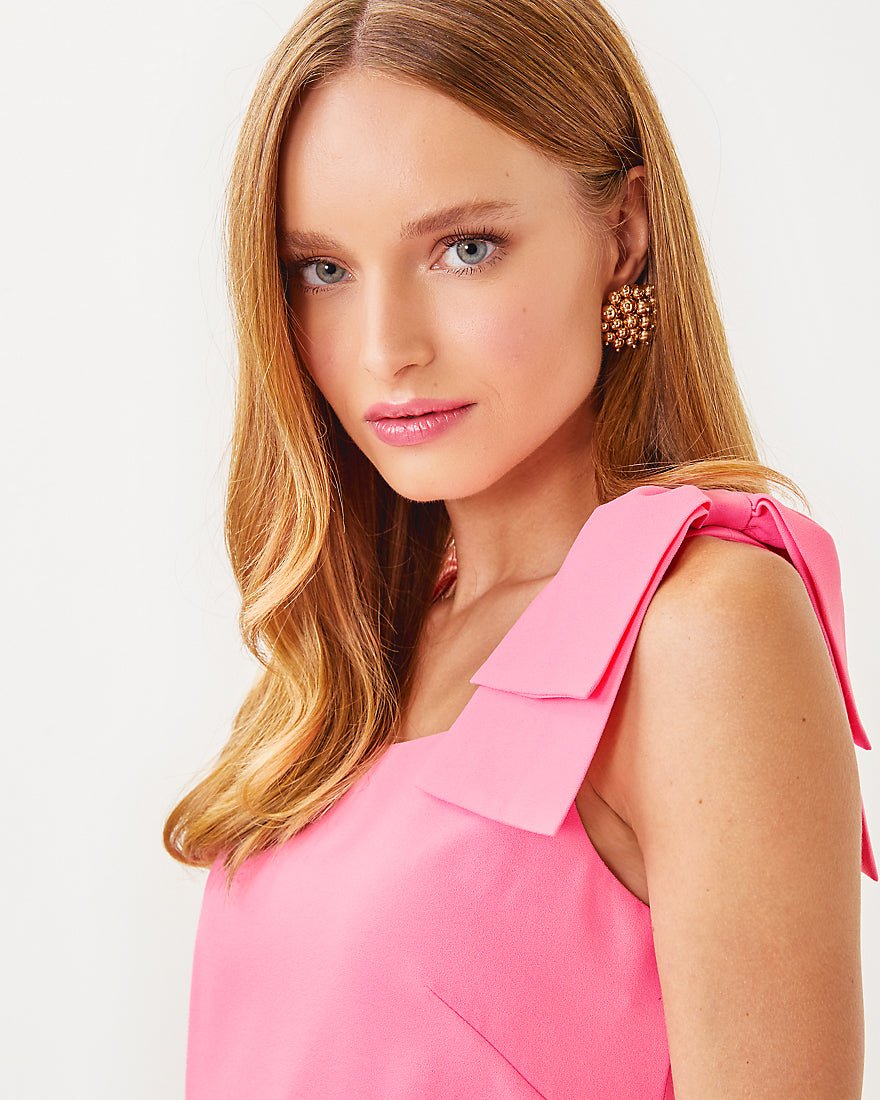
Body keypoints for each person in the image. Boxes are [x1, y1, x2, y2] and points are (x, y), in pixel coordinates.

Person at [165, 1, 877, 1096]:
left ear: (623, 234)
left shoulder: (702, 627)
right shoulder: (361, 650)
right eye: (323, 269)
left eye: (463, 249)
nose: (385, 349)